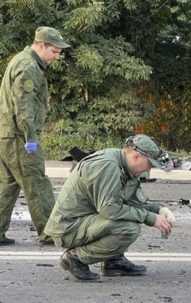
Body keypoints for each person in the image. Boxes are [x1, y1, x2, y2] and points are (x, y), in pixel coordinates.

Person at [44, 135, 176, 281]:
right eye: (149, 165)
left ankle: (114, 261)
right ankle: (75, 258)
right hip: (68, 228)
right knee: (128, 228)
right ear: (136, 156)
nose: (149, 170)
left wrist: (159, 211)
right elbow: (110, 209)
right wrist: (150, 218)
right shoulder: (108, 166)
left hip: (84, 221)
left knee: (130, 215)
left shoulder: (126, 167)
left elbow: (133, 202)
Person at [0, 26, 70, 246]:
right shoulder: (29, 67)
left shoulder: (20, 60)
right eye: (55, 51)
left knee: (7, 184)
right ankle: (51, 232)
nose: (57, 56)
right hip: (20, 137)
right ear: (41, 45)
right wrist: (30, 137)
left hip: (7, 134)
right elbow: (24, 106)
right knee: (37, 183)